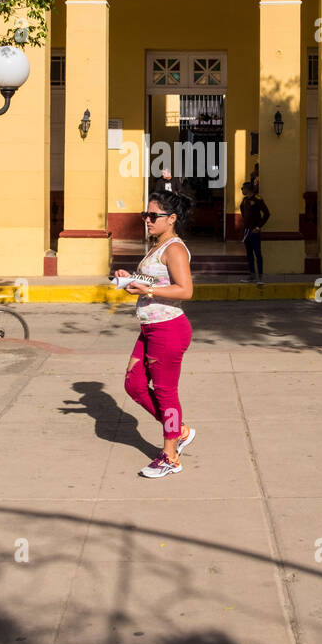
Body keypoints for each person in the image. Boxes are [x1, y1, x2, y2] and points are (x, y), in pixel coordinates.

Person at [115, 190, 195, 478]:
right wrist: (132, 279)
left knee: (165, 393)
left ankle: (170, 456)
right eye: (145, 215)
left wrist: (147, 289)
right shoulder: (157, 245)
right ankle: (179, 430)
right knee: (134, 385)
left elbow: (185, 290)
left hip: (168, 330)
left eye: (153, 216)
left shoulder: (174, 248)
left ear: (171, 219)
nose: (146, 220)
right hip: (150, 327)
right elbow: (158, 280)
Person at [239, 181, 270, 284]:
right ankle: (252, 276)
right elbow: (242, 211)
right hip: (247, 231)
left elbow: (267, 214)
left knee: (257, 253)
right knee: (249, 254)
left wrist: (258, 227)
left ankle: (260, 278)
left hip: (255, 231)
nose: (242, 190)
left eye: (242, 188)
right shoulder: (244, 200)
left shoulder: (258, 200)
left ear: (248, 189)